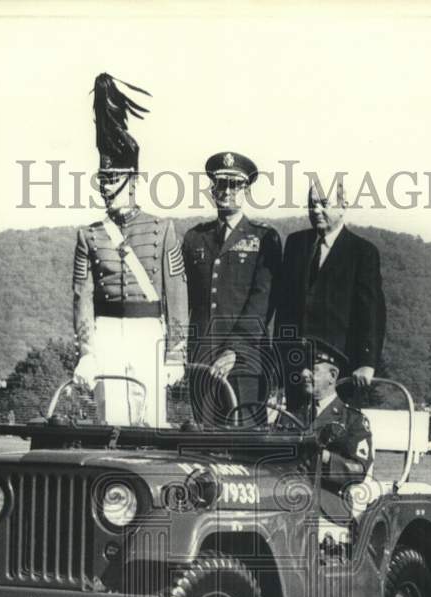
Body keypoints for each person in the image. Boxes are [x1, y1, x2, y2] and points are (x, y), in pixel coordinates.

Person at [73, 73, 188, 427]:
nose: (107, 188)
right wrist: (88, 351)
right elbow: (82, 298)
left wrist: (175, 353)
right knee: (111, 422)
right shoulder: (88, 235)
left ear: (133, 181)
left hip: (148, 333)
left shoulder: (162, 229)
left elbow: (177, 295)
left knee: (150, 423)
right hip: (106, 333)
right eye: (103, 180)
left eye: (114, 180)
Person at [183, 151, 281, 427]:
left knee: (245, 441)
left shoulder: (263, 238)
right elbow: (183, 300)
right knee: (203, 442)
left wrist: (234, 350)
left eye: (234, 185)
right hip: (202, 356)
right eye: (221, 184)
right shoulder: (195, 238)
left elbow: (262, 302)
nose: (226, 191)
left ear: (246, 190)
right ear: (212, 189)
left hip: (245, 360)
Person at [275, 180, 386, 411]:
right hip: (297, 365)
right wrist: (280, 356)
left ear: (343, 205)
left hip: (341, 369)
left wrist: (367, 363)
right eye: (311, 204)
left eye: (324, 204)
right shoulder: (295, 244)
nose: (316, 210)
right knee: (297, 432)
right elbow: (284, 307)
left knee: (336, 436)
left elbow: (372, 312)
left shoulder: (363, 252)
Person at [298, 339, 374, 528]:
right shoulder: (293, 415)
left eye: (312, 369)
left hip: (329, 504)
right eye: (304, 368)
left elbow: (359, 470)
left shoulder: (353, 420)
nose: (304, 374)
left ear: (332, 375)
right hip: (286, 493)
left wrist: (326, 458)